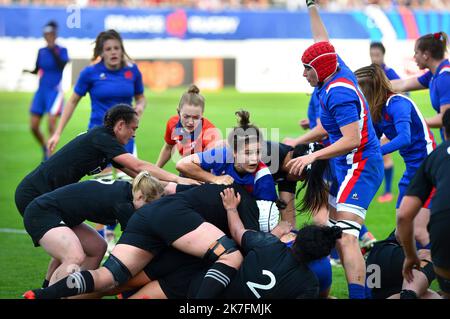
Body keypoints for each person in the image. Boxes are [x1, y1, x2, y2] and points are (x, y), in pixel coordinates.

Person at [286, 1, 383, 299]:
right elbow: (322, 42)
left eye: (307, 69)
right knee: (337, 232)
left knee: (346, 238)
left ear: (320, 69)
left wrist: (312, 154)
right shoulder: (334, 69)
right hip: (346, 166)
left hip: (360, 166)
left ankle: (361, 294)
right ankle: (362, 289)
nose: (304, 74)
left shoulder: (338, 92)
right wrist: (312, 6)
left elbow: (352, 138)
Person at [23, 184, 260, 299]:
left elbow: (169, 185)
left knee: (108, 277)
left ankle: (44, 294)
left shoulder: (213, 184)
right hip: (173, 221)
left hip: (150, 217)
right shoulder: (244, 200)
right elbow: (244, 237)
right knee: (231, 255)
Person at [126, 188, 341, 299]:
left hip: (204, 289)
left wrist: (230, 208)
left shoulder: (269, 245)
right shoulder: (309, 284)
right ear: (321, 256)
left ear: (295, 240)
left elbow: (238, 233)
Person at [23, 171, 164, 285]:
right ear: (140, 196)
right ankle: (50, 295)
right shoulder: (124, 205)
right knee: (74, 256)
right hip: (42, 212)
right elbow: (133, 244)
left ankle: (74, 291)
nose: (148, 212)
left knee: (98, 247)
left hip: (61, 215)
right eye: (148, 207)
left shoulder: (128, 191)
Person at [355, 64, 436, 248]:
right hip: (412, 171)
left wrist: (374, 153)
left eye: (358, 89)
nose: (356, 95)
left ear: (369, 89)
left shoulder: (398, 104)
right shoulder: (377, 110)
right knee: (401, 232)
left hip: (428, 170)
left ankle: (441, 271)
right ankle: (413, 271)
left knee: (419, 232)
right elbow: (369, 141)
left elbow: (404, 138)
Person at [47, 29, 146, 156]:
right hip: (99, 134)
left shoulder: (132, 71)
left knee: (128, 175)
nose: (113, 52)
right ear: (101, 52)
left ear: (122, 50)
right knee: (104, 176)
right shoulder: (90, 73)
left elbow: (141, 98)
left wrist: (140, 106)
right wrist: (57, 133)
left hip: (125, 135)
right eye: (108, 49)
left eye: (116, 48)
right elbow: (72, 101)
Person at [397, 109, 450, 299]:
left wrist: (411, 256)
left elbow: (403, 215)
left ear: (444, 132)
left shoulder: (435, 157)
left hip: (443, 226)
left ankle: (409, 293)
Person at [176, 110, 277, 201]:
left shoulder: (262, 177)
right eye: (247, 153)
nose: (254, 159)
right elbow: (182, 164)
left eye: (258, 152)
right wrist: (215, 179)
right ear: (234, 152)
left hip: (242, 214)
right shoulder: (222, 155)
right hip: (214, 203)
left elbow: (265, 214)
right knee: (172, 188)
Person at [391, 32, 450, 141]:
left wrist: (416, 121)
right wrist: (375, 84)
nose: (414, 57)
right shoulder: (434, 73)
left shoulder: (444, 77)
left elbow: (446, 118)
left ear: (426, 55)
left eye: (416, 52)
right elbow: (403, 84)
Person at [23, 21, 69, 160]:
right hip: (41, 91)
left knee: (51, 123)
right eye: (46, 35)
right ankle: (45, 146)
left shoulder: (61, 50)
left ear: (55, 36)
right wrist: (28, 71)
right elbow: (37, 69)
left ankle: (50, 155)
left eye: (50, 35)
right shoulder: (41, 51)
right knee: (33, 126)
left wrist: (52, 49)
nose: (48, 37)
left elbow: (61, 65)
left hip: (54, 91)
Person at [156, 84, 221, 168]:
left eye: (196, 117)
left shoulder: (209, 131)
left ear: (202, 114)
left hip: (206, 172)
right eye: (186, 116)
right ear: (178, 112)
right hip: (186, 169)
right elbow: (168, 148)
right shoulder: (172, 124)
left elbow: (214, 159)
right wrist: (156, 169)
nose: (190, 122)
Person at [370, 42, 402, 204]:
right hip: (375, 122)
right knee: (377, 156)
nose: (375, 58)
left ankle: (388, 191)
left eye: (377, 55)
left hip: (387, 123)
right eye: (372, 54)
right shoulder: (370, 73)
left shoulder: (390, 73)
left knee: (385, 157)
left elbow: (403, 94)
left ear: (383, 55)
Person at [365, 230, 439, 299]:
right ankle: (408, 294)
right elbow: (417, 232)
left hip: (376, 257)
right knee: (433, 255)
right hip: (394, 254)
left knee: (430, 295)